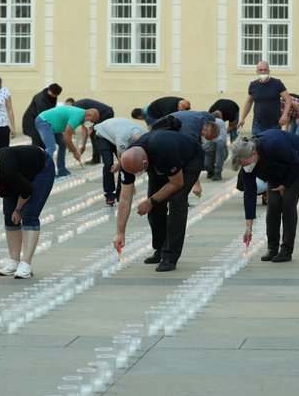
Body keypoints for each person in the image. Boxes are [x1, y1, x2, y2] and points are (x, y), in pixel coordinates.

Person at [113, 130, 203, 272]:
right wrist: (120, 232)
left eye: (136, 172)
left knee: (177, 201)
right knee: (156, 208)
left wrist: (151, 201)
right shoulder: (127, 161)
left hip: (189, 159)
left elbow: (176, 184)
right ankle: (160, 249)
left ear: (144, 163)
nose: (135, 176)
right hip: (158, 163)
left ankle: (170, 256)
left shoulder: (167, 151)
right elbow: (124, 199)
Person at [0, 146, 55, 279]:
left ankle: (26, 263)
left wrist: (18, 210)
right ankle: (14, 260)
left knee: (29, 214)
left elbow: (26, 191)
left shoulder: (6, 172)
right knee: (8, 215)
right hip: (20, 175)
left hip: (41, 168)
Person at [231, 131, 299, 262]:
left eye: (245, 164)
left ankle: (286, 249)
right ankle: (272, 247)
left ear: (254, 154)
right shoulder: (247, 164)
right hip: (275, 170)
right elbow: (249, 194)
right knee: (273, 204)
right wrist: (248, 227)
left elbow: (296, 163)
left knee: (288, 203)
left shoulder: (274, 144)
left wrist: (285, 184)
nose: (244, 167)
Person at [34, 104, 101, 177]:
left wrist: (80, 145)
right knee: (51, 147)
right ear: (89, 116)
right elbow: (66, 136)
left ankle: (61, 170)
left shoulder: (82, 116)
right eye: (91, 121)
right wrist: (75, 152)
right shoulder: (78, 116)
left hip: (53, 125)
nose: (91, 124)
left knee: (62, 145)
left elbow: (71, 132)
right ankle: (43, 172)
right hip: (44, 121)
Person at [94, 117, 147, 206]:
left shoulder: (144, 135)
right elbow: (123, 159)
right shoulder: (123, 137)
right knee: (109, 164)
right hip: (103, 135)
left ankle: (120, 194)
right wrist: (131, 183)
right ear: (132, 141)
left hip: (114, 133)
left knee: (124, 165)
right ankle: (109, 194)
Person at [237, 61, 291, 135]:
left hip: (274, 124)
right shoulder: (253, 85)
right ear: (257, 71)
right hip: (258, 125)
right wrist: (242, 118)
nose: (263, 72)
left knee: (273, 146)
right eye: (261, 70)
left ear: (269, 71)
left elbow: (288, 99)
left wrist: (284, 115)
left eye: (265, 70)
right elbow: (248, 102)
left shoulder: (277, 83)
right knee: (258, 145)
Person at [73, 98, 115, 164]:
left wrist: (83, 145)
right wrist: (83, 145)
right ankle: (102, 155)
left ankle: (97, 158)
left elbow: (84, 128)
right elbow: (85, 127)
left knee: (95, 135)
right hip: (107, 112)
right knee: (98, 134)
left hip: (104, 113)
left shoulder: (76, 108)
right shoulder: (79, 106)